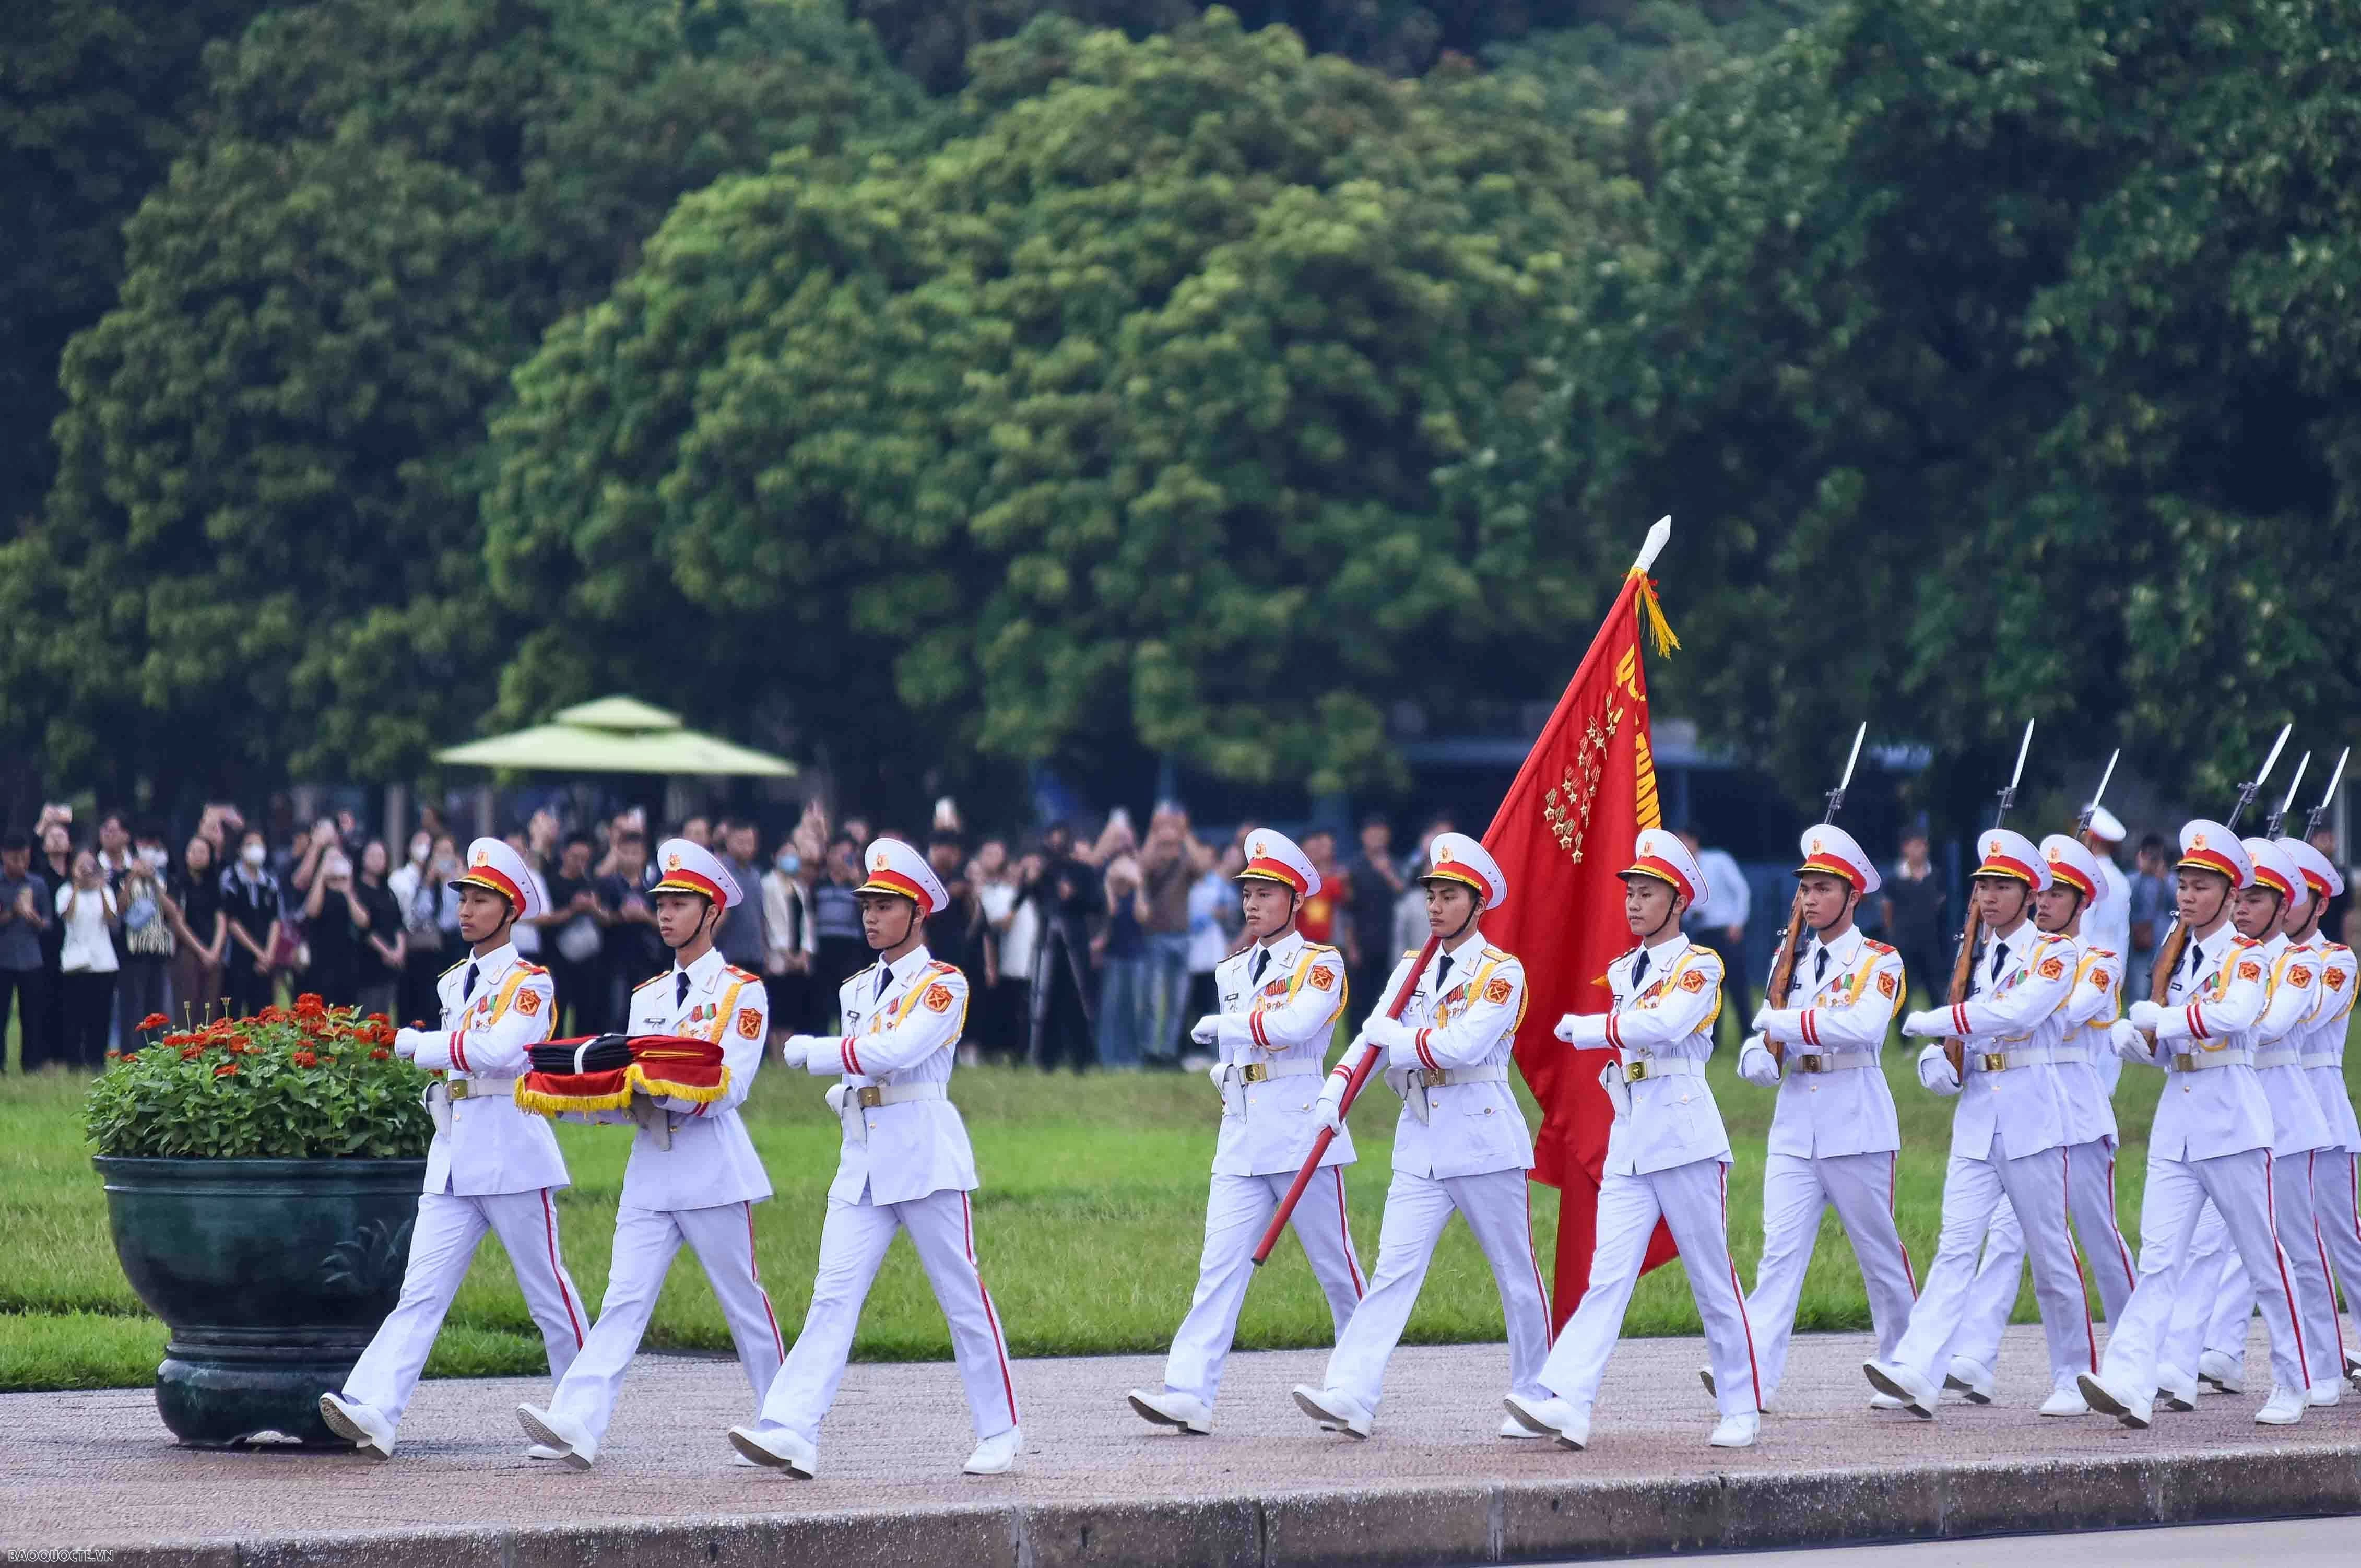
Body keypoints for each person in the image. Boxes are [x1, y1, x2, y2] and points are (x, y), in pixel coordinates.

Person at [737, 839, 1021, 1478]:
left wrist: (818, 1053)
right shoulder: (858, 987)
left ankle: (1000, 1430)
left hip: (924, 1154)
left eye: (885, 905)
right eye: (866, 903)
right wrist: (845, 1088)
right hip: (863, 1156)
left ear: (917, 912)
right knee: (832, 1297)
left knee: (961, 1297)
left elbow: (898, 1051)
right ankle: (791, 1428)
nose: (870, 916)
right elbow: (872, 1064)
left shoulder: (943, 983)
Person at [518, 839, 782, 1469]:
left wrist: (656, 1093)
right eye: (661, 901)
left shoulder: (742, 992)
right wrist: (588, 1100)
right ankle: (579, 1421)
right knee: (622, 1301)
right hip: (652, 1168)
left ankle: (784, 1418)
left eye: (680, 903)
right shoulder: (649, 996)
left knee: (743, 1303)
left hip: (712, 1167)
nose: (664, 913)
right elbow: (632, 1076)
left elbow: (730, 1087)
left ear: (712, 912)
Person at [320, 839, 585, 1462]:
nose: (466, 910)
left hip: (513, 1146)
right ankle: (377, 1409)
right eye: (463, 898)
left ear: (511, 909)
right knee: (420, 1291)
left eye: (481, 899)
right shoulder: (450, 980)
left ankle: (580, 1412)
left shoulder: (529, 982)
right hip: (457, 1148)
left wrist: (422, 1044)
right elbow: (470, 1050)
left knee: (548, 1292)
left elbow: (499, 1052)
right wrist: (437, 1047)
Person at [1505, 829, 1760, 1452]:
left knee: (1710, 1277)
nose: (1634, 904)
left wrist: (1596, 1028)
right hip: (1630, 1134)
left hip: (1684, 1133)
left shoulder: (1700, 965)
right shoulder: (1623, 970)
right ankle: (1569, 1400)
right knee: (1606, 1276)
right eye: (1631, 894)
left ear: (1678, 903)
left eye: (1648, 894)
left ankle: (1741, 1406)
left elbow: (1667, 1024)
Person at [1289, 833, 1550, 1441]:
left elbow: (1461, 1046)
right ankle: (1353, 1393)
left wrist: (1392, 1037)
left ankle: (1538, 1392)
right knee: (1393, 1270)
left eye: (1449, 896)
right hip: (1422, 1136)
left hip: (1483, 1137)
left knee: (1515, 1274)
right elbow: (1369, 1042)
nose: (1435, 906)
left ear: (1477, 904)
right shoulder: (1412, 969)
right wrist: (1335, 1092)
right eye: (1431, 893)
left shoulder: (1500, 972)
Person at [1128, 830, 1363, 1436]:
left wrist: (1230, 1027)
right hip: (1242, 1128)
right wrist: (1224, 1068)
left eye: (1265, 894)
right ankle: (1189, 1392)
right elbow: (1244, 1044)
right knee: (1219, 1265)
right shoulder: (1232, 968)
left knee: (1336, 1268)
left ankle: (1359, 1387)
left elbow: (1296, 1025)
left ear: (1293, 900)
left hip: (1300, 1126)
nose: (1252, 904)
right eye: (1248, 894)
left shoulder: (1321, 963)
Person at [2081, 822, 2311, 1428]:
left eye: (2201, 885)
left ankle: (2293, 1379)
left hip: (2232, 1120)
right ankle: (2130, 1380)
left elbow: (2234, 1016)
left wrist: (2165, 1017)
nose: (2186, 895)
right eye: (2182, 883)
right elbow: (2167, 1045)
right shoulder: (2175, 960)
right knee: (2159, 1259)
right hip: (2177, 1119)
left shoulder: (2247, 956)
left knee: (2263, 1259)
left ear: (2230, 895)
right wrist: (2138, 1042)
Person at [1874, 829, 2098, 1419]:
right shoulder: (1971, 959)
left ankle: (2074, 1374)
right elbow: (1954, 1045)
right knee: (1954, 1249)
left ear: (2030, 895)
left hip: (2032, 1114)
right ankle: (1918, 1368)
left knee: (2050, 1254)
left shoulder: (2055, 953)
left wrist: (1942, 1020)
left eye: (2003, 887)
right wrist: (1936, 1066)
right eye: (1983, 887)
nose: (1989, 897)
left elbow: (2018, 1011)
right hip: (1978, 1116)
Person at [1931, 834, 2138, 1405]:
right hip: (2022, 1110)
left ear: (2082, 903)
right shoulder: (2004, 959)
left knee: (2098, 1238)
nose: (2045, 903)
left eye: (2059, 894)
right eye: (2041, 892)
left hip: (2078, 1110)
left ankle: (2137, 1348)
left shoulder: (2095, 963)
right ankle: (1975, 1355)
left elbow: (2058, 1013)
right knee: (2005, 1235)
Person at [1729, 826, 1915, 1412]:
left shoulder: (1878, 960)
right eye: (1805, 888)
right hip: (1795, 1121)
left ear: (1852, 895)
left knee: (1877, 1253)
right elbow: (1763, 1045)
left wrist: (1780, 1025)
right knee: (1778, 1253)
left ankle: (1907, 1363)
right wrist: (1757, 1058)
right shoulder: (1793, 962)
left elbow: (1862, 1027)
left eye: (1823, 888)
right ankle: (1754, 1374)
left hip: (1855, 1118)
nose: (1810, 899)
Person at [2162, 835, 2344, 1408]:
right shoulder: (2215, 961)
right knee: (2205, 1248)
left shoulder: (2295, 965)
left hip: (2284, 1115)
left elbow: (2265, 1026)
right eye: (2241, 899)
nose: (2243, 909)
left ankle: (2320, 1367)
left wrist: (2208, 1014)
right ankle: (2190, 1360)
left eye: (2258, 900)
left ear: (2283, 906)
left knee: (2295, 1250)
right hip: (2225, 1114)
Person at [2281, 839, 2361, 1389]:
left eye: (2297, 895)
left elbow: (2301, 1020)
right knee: (2275, 1242)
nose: (2284, 904)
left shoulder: (2336, 962)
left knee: (2341, 1240)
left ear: (2319, 904)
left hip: (2323, 1113)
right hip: (2270, 1111)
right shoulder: (2255, 959)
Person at [1031, 823, 1098, 1073]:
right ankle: (1046, 1058)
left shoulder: (1083, 872)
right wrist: (1033, 881)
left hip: (1075, 944)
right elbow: (1035, 899)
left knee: (1078, 1000)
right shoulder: (1044, 872)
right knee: (1047, 999)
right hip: (1050, 943)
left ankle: (1082, 1058)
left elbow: (1095, 903)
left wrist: (1074, 895)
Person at [1138, 808, 1196, 1068]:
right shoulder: (1151, 865)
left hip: (1182, 938)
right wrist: (1154, 832)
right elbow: (1140, 866)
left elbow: (1203, 865)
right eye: (1165, 844)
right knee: (1152, 998)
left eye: (1173, 844)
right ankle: (1150, 1050)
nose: (1169, 849)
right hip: (1157, 938)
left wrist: (1185, 834)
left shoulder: (1185, 866)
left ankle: (1170, 1052)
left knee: (1177, 1000)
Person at [55, 849, 121, 1069]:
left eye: (90, 865)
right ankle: (74, 1060)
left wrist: (101, 888)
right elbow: (67, 916)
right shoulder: (65, 891)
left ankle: (96, 1059)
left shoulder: (107, 891)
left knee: (100, 1015)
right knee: (74, 1014)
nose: (86, 870)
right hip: (75, 961)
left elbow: (112, 920)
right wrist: (77, 886)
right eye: (81, 865)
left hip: (103, 963)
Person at [1179, 841, 1239, 1073]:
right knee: (1190, 1004)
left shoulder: (1218, 886)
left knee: (1213, 1003)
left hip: (1213, 951)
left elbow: (1230, 911)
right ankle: (1189, 1049)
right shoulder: (1185, 884)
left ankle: (1213, 1053)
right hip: (1191, 952)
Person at [1879, 824, 1948, 1012]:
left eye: (1923, 845)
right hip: (1903, 942)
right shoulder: (1895, 879)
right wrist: (1892, 936)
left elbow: (1941, 905)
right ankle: (1905, 1039)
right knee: (1902, 990)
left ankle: (1941, 1036)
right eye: (1915, 845)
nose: (1920, 850)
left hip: (1931, 942)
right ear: (1905, 848)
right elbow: (1887, 909)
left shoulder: (1937, 875)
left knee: (1936, 989)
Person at [1345, 815, 1407, 1025]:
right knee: (1361, 998)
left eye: (1381, 834)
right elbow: (1347, 912)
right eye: (1372, 834)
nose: (1377, 839)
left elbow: (1405, 895)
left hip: (1392, 942)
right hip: (1362, 943)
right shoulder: (1353, 868)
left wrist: (1388, 873)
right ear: (1363, 837)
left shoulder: (1397, 866)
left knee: (1387, 996)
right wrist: (1351, 946)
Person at [115, 823, 174, 1043]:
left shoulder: (165, 877)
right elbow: (118, 908)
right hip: (133, 951)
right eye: (145, 844)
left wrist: (154, 883)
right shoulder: (123, 874)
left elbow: (173, 912)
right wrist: (132, 877)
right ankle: (131, 1054)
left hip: (159, 950)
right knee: (133, 1008)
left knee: (156, 1009)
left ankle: (155, 1055)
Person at [544, 833, 607, 1034]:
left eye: (584, 859)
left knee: (587, 1012)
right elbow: (545, 919)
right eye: (575, 857)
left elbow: (605, 917)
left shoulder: (591, 883)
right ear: (564, 854)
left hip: (589, 959)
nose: (580, 863)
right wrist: (573, 909)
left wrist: (593, 908)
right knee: (558, 1011)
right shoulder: (551, 882)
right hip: (558, 959)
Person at [1096, 834, 1148, 1070]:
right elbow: (1112, 911)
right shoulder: (1110, 890)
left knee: (1134, 1011)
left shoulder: (1139, 890)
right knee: (1111, 1010)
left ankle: (1133, 1060)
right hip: (1114, 955)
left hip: (1137, 955)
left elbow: (1143, 916)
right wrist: (1108, 883)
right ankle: (1108, 1060)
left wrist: (1138, 887)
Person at [761, 831, 820, 1042]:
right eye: (786, 854)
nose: (791, 859)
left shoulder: (799, 888)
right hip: (779, 957)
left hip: (798, 957)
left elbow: (807, 922)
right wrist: (786, 955)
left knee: (794, 1008)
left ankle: (789, 1059)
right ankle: (776, 1059)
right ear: (774, 857)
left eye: (794, 855)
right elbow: (770, 922)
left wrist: (804, 953)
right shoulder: (768, 885)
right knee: (778, 1010)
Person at [0, 834, 52, 1071]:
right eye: (15, 859)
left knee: (32, 1017)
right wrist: (15, 912)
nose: (20, 864)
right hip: (4, 960)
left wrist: (35, 919)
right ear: (4, 856)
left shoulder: (37, 884)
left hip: (32, 960)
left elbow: (48, 922)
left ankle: (31, 1065)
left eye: (24, 859)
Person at [221, 828, 285, 1017]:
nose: (255, 849)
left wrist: (268, 955)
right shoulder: (230, 877)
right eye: (250, 845)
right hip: (237, 958)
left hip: (266, 959)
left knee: (263, 1017)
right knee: (232, 1016)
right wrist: (258, 952)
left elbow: (276, 920)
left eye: (259, 844)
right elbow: (231, 921)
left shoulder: (271, 882)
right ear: (240, 849)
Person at [164, 835, 227, 1025]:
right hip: (187, 952)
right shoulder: (177, 883)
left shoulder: (215, 885)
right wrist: (202, 951)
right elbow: (178, 922)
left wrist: (215, 951)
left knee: (210, 1011)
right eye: (193, 851)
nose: (197, 856)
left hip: (213, 953)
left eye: (202, 852)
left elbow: (222, 920)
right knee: (186, 1011)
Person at [301, 843, 372, 1007]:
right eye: (331, 859)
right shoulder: (318, 886)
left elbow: (364, 921)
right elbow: (311, 911)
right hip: (321, 959)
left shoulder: (352, 888)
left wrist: (347, 889)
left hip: (347, 960)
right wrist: (322, 875)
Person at [812, 834, 869, 1013]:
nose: (843, 859)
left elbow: (867, 910)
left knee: (848, 1002)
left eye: (848, 855)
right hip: (822, 948)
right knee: (822, 1003)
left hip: (850, 950)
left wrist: (857, 883)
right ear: (830, 855)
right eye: (839, 854)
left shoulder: (859, 885)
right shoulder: (818, 883)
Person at [352, 841, 405, 1021]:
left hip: (390, 968)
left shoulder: (388, 891)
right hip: (368, 966)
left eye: (381, 856)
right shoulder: (357, 890)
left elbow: (398, 923)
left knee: (384, 1017)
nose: (377, 861)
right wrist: (387, 951)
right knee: (367, 1017)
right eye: (373, 856)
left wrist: (399, 950)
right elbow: (365, 930)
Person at [35, 821, 72, 1052]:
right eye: (52, 836)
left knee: (69, 999)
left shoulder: (76, 874)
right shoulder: (38, 873)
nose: (57, 839)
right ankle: (45, 1052)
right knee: (46, 999)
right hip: (46, 945)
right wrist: (43, 825)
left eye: (62, 835)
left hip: (73, 942)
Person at [2081, 806, 2133, 964]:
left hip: (2087, 959)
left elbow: (2084, 925)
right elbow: (2123, 933)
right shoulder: (2121, 879)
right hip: (2113, 960)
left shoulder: (2089, 875)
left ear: (2090, 837)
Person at [2126, 834, 2174, 1001]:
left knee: (2159, 993)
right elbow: (2127, 902)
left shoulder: (2170, 881)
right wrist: (2142, 872)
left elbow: (2177, 903)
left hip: (2163, 944)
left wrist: (2164, 878)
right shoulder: (2132, 880)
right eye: (2149, 855)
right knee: (2138, 993)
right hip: (2139, 944)